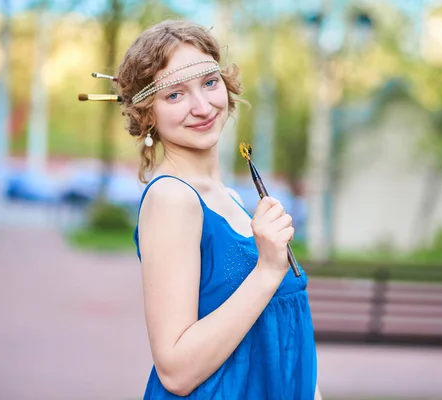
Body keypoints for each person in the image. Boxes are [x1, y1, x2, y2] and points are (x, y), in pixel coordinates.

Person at [115, 20, 321, 399]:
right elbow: (175, 370)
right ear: (147, 115)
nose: (202, 106)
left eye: (209, 83)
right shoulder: (172, 200)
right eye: (174, 95)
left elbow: (286, 335)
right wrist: (267, 270)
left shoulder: (233, 199)